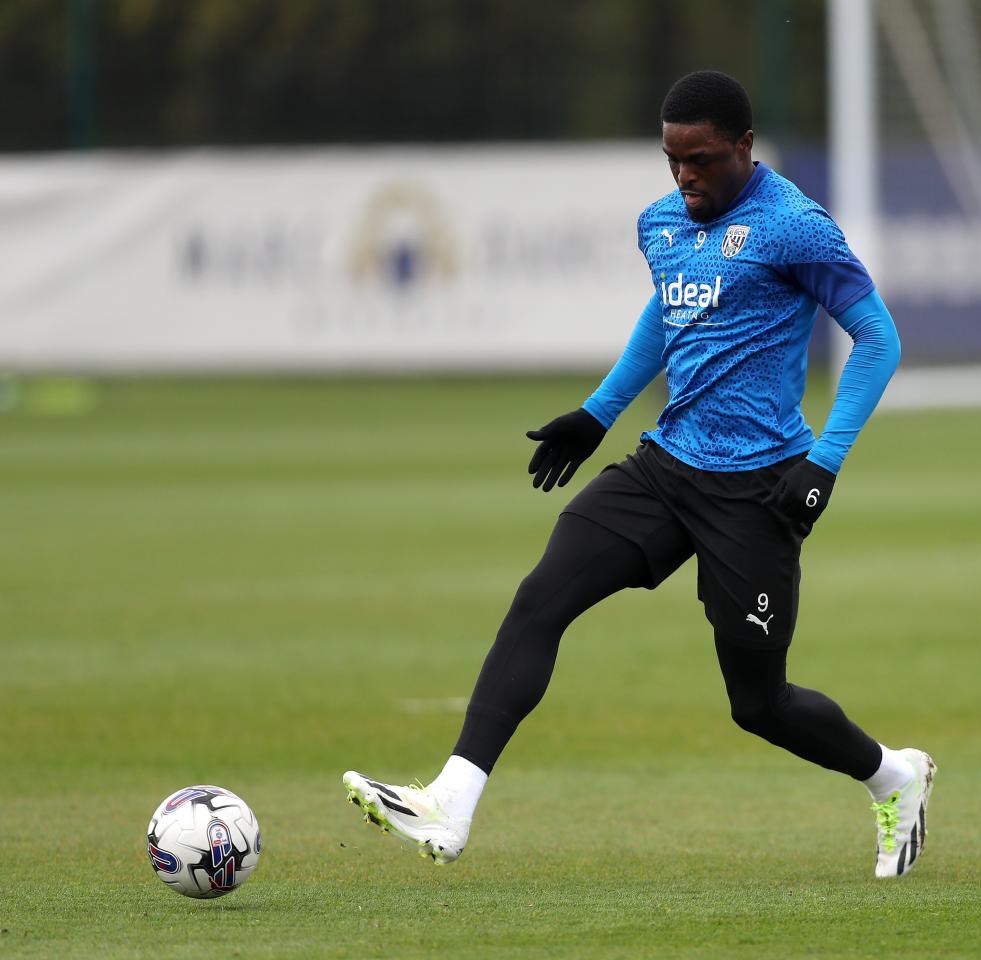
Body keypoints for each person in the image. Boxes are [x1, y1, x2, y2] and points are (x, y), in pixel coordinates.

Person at [344, 70, 935, 879]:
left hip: (757, 491)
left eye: (700, 160)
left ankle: (894, 776)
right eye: (671, 160)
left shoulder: (795, 227)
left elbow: (877, 339)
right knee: (540, 597)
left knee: (758, 706)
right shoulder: (661, 223)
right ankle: (451, 801)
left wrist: (824, 462)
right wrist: (597, 414)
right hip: (665, 467)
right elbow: (666, 312)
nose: (683, 176)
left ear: (745, 148)